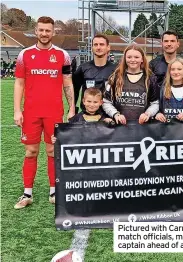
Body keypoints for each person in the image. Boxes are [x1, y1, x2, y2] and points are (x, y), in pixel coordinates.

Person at [13, 16, 75, 209]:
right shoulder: (24, 54)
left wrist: (72, 107)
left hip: (54, 112)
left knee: (51, 151)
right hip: (30, 112)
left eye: (48, 30)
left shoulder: (63, 55)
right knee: (31, 152)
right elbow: (19, 83)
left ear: (53, 32)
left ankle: (53, 191)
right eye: (41, 30)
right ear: (36, 31)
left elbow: (67, 83)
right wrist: (17, 110)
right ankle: (27, 194)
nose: (44, 34)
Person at [103, 45, 159, 125]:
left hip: (142, 127)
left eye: (136, 57)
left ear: (142, 59)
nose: (133, 60)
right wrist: (115, 114)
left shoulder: (150, 78)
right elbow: (106, 101)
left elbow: (155, 103)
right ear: (125, 59)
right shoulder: (115, 77)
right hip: (119, 127)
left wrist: (147, 114)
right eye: (129, 57)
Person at [73, 34, 116, 113]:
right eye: (95, 45)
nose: (98, 47)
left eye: (102, 44)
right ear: (92, 47)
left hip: (109, 115)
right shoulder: (83, 68)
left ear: (108, 47)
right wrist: (72, 111)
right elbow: (74, 91)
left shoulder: (116, 69)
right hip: (87, 114)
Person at [155, 58, 183, 122]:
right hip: (167, 129)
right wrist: (158, 114)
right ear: (169, 72)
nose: (176, 72)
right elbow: (157, 108)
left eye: (179, 69)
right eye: (173, 69)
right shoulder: (162, 89)